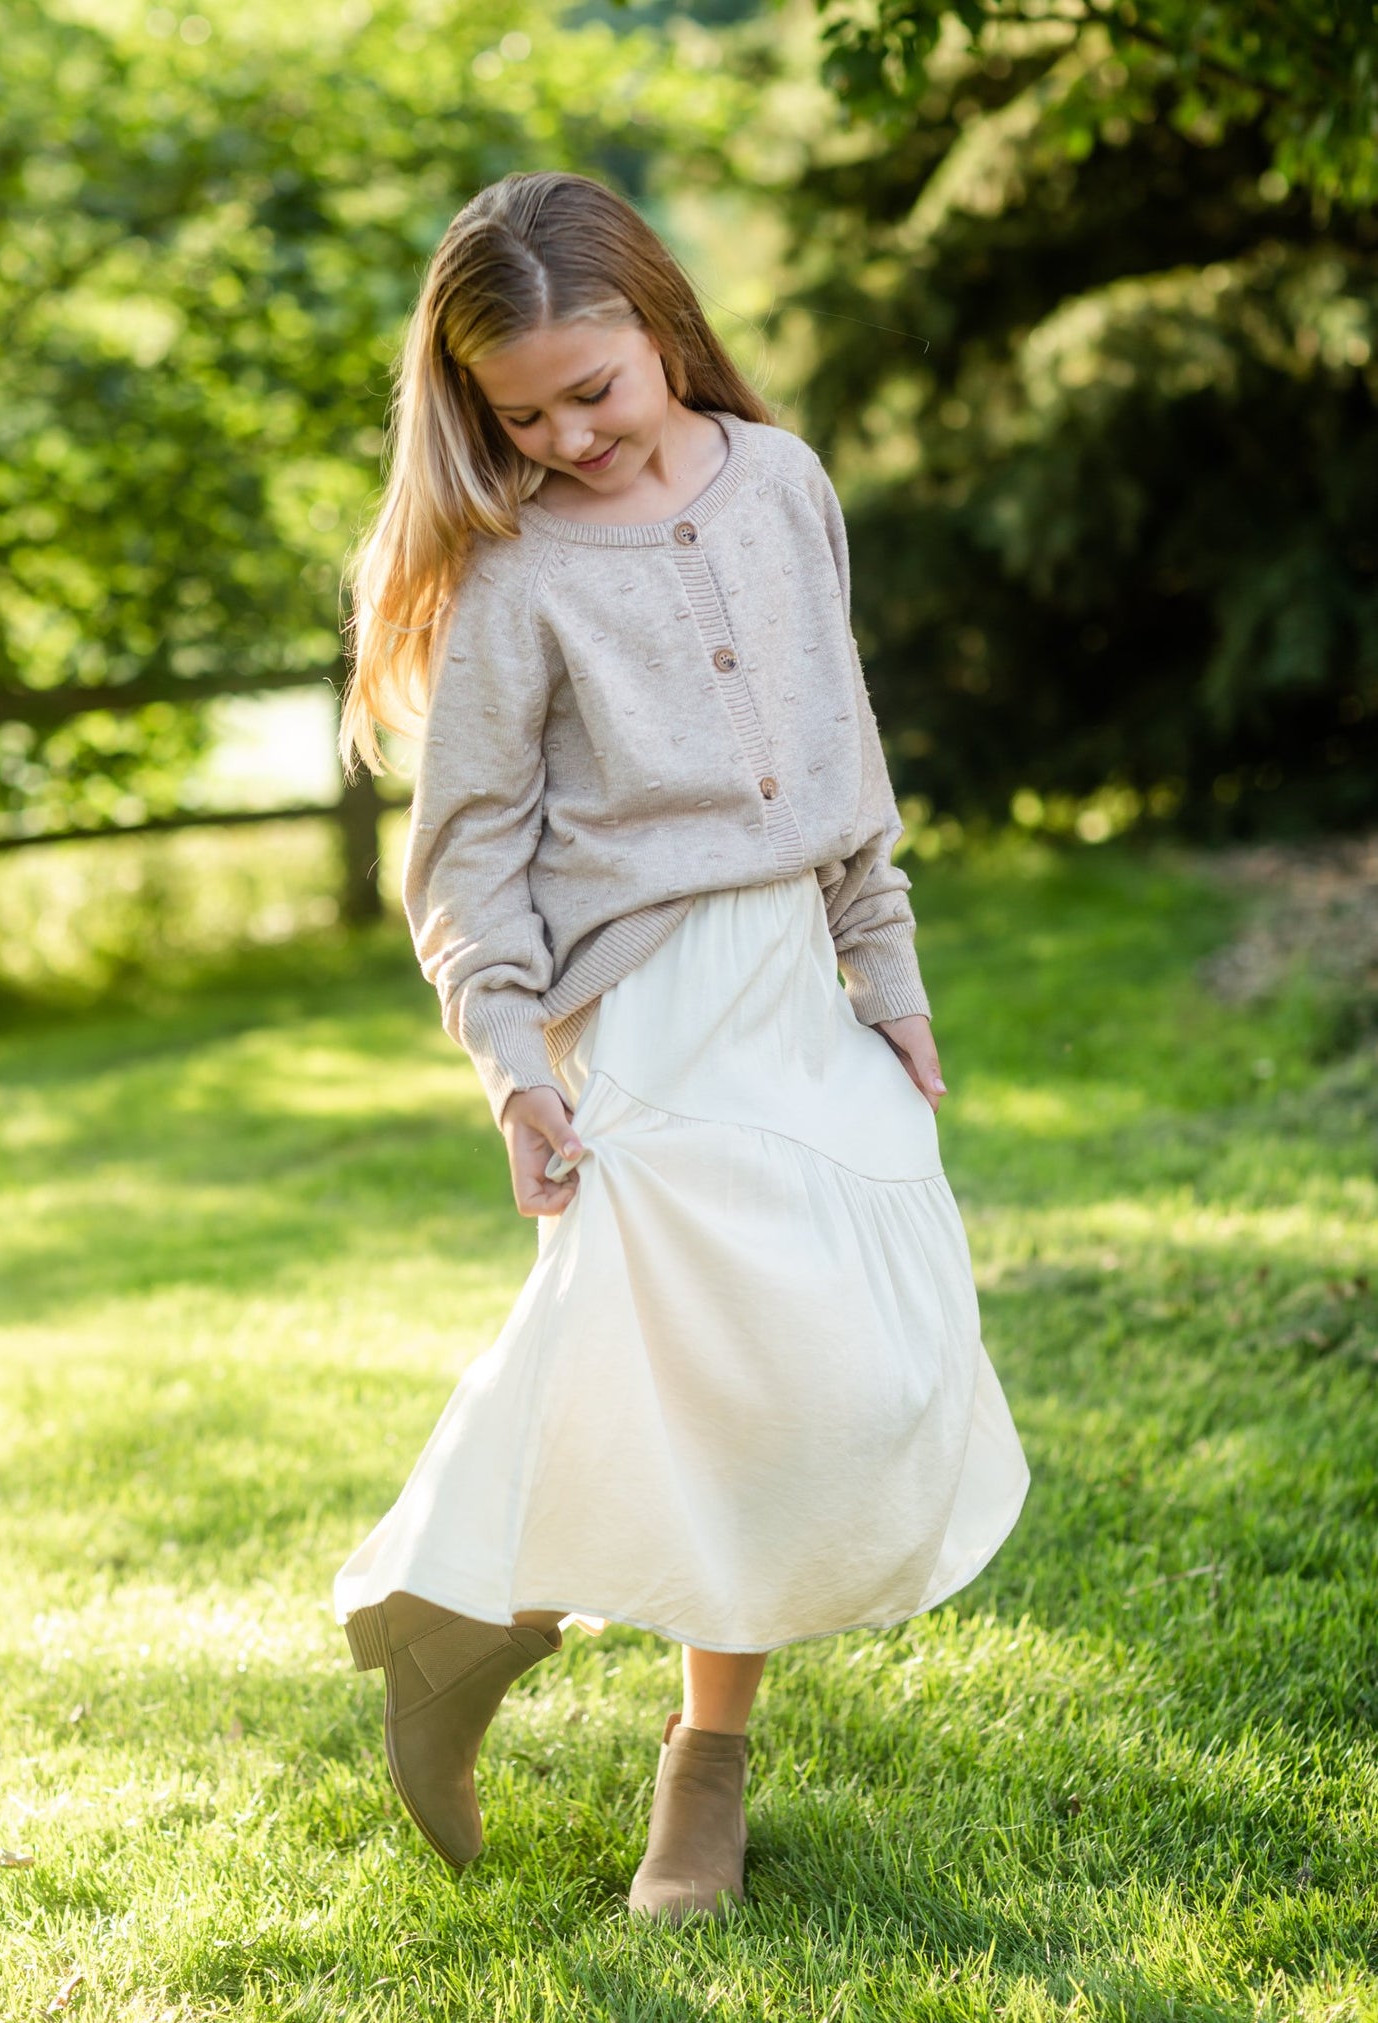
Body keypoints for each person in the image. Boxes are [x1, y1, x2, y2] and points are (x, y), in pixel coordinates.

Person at [332, 169, 1029, 1926]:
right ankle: (696, 1774)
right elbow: (466, 858)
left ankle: (467, 1618)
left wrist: (890, 969)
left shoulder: (781, 483)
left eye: (596, 391)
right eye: (521, 413)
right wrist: (513, 1063)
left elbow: (840, 738)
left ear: (661, 329)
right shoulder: (509, 576)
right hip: (647, 1001)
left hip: (802, 972)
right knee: (735, 1356)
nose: (566, 434)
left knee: (860, 1366)